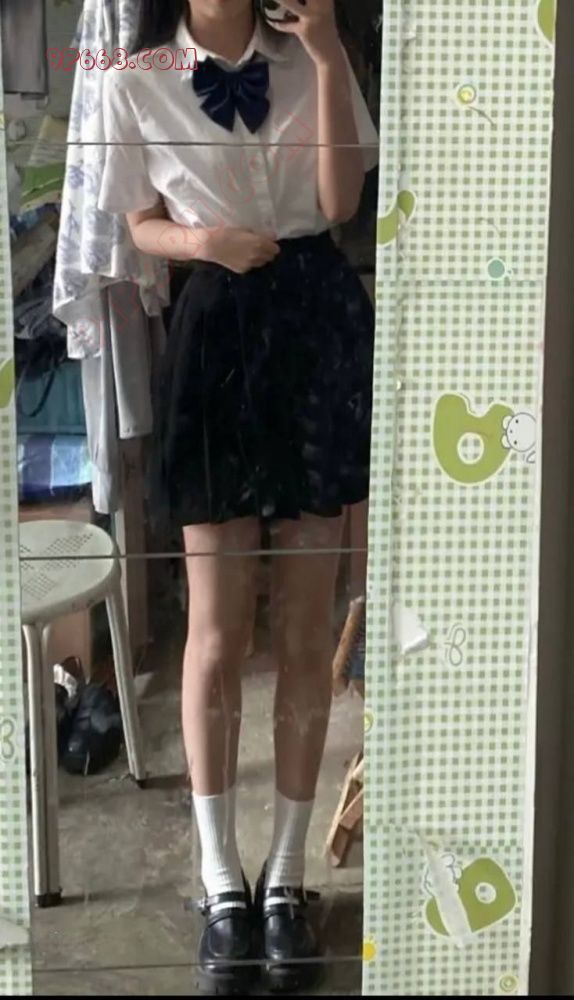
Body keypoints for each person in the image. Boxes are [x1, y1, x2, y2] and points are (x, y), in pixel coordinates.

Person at [99, 0, 378, 992]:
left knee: (304, 626)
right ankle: (222, 882)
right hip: (214, 327)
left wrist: (327, 51)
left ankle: (286, 876)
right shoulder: (133, 80)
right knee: (215, 632)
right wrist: (204, 242)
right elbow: (135, 224)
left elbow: (338, 201)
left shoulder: (312, 56)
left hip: (315, 329)